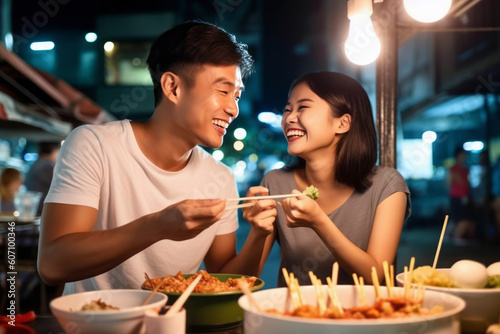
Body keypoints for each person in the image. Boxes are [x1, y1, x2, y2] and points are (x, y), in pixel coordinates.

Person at [38, 21, 272, 294]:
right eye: (223, 91)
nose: (233, 108)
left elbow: (228, 280)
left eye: (237, 95)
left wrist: (259, 233)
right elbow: (53, 265)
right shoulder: (95, 145)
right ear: (173, 87)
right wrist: (157, 226)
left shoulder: (219, 177)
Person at [242, 71, 411, 286]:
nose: (289, 118)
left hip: (365, 316)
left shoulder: (387, 185)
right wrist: (258, 232)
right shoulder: (275, 183)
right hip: (293, 315)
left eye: (303, 107)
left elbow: (376, 276)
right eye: (287, 109)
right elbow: (245, 281)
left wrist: (319, 222)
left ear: (342, 123)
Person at [25, 141, 61, 215]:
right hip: (43, 211)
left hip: (35, 209)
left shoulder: (33, 165)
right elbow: (60, 186)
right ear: (53, 150)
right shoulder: (47, 166)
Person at [448, 146, 475, 241]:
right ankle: (457, 237)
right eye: (462, 154)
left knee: (464, 218)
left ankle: (457, 237)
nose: (464, 156)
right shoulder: (454, 168)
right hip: (457, 196)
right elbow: (449, 182)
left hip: (465, 196)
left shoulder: (466, 169)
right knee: (461, 218)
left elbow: (468, 183)